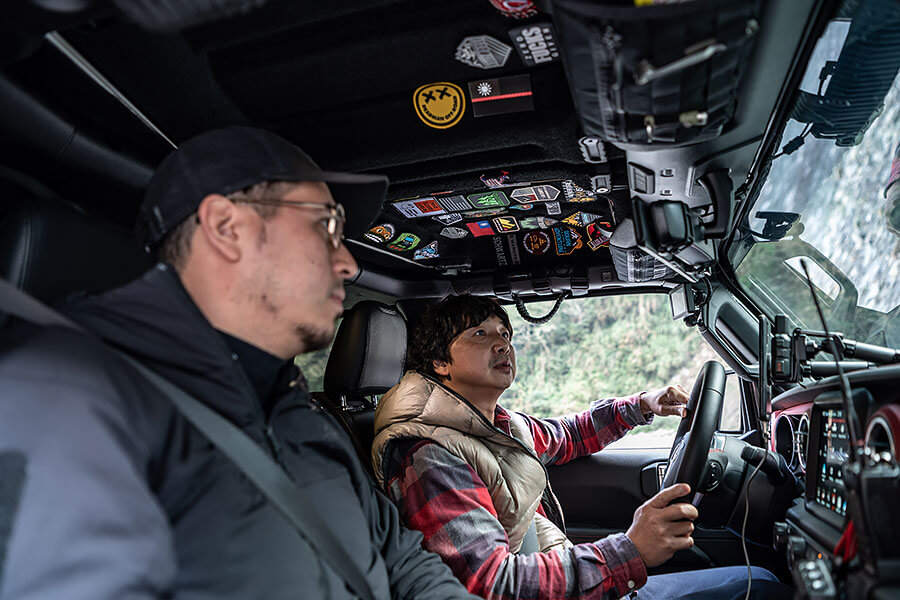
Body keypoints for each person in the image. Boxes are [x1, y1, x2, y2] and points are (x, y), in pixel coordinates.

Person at [0, 127, 478, 600]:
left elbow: (401, 559)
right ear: (228, 228)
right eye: (326, 226)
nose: (349, 264)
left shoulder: (302, 415)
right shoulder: (65, 399)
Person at [371, 294, 793, 600]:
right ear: (440, 364)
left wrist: (642, 405)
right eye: (479, 333)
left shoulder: (496, 427)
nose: (502, 344)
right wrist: (627, 550)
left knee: (760, 581)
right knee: (763, 588)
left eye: (505, 332)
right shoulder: (428, 455)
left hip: (574, 585)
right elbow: (491, 585)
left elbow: (569, 435)